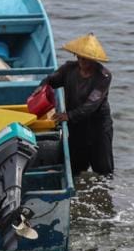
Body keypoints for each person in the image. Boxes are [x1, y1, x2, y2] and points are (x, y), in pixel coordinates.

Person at [40, 33, 114, 176]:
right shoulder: (68, 69)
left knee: (104, 171)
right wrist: (41, 90)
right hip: (77, 128)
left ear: (94, 60)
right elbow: (51, 81)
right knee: (75, 168)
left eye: (86, 59)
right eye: (79, 57)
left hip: (98, 129)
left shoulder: (103, 76)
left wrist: (68, 115)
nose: (82, 61)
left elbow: (91, 105)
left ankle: (103, 194)